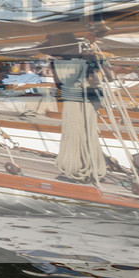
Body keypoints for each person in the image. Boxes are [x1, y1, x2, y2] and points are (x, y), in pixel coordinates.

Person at [47, 34, 105, 181]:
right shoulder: (90, 56)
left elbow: (59, 85)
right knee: (88, 132)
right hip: (92, 97)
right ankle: (90, 166)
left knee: (73, 131)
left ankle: (75, 168)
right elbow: (104, 77)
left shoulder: (56, 62)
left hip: (75, 99)